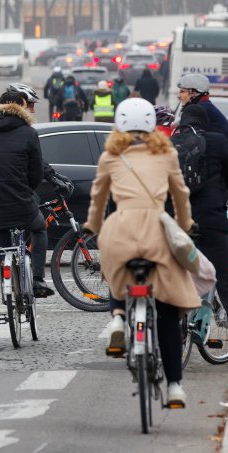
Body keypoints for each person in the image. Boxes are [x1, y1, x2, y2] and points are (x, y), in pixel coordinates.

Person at [83, 97, 197, 409]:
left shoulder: (110, 155)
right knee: (169, 310)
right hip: (157, 229)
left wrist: (93, 226)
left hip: (121, 227)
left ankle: (118, 319)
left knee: (116, 270)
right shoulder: (166, 153)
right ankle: (174, 386)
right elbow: (181, 195)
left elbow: (98, 198)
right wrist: (185, 225)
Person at [0, 86, 56, 346]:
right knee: (39, 230)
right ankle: (38, 278)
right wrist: (24, 191)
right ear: (18, 104)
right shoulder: (28, 133)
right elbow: (35, 173)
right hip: (22, 205)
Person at [175, 103, 228, 355]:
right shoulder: (218, 142)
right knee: (225, 275)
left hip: (178, 222)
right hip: (211, 221)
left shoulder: (168, 145)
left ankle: (170, 328)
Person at [176, 74, 228, 153]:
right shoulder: (206, 107)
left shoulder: (196, 111)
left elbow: (188, 141)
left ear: (194, 93)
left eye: (182, 91)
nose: (178, 96)